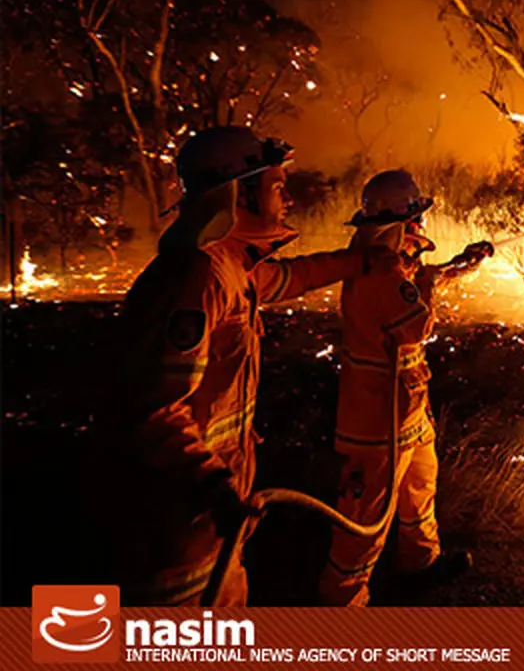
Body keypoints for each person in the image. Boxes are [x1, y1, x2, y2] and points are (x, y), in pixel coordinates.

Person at [105, 126, 397, 606]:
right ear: (237, 193)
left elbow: (292, 276)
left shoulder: (229, 267)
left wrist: (359, 261)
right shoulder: (200, 278)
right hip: (178, 518)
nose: (287, 200)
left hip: (209, 515)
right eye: (278, 188)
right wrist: (212, 482)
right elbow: (152, 408)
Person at [319, 169, 492, 607]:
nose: (422, 226)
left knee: (420, 487)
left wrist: (459, 266)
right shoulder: (379, 270)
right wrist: (433, 284)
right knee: (368, 514)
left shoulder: (387, 260)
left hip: (407, 406)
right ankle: (340, 602)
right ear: (401, 222)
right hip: (377, 418)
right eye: (416, 218)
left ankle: (420, 565)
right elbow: (417, 325)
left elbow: (417, 278)